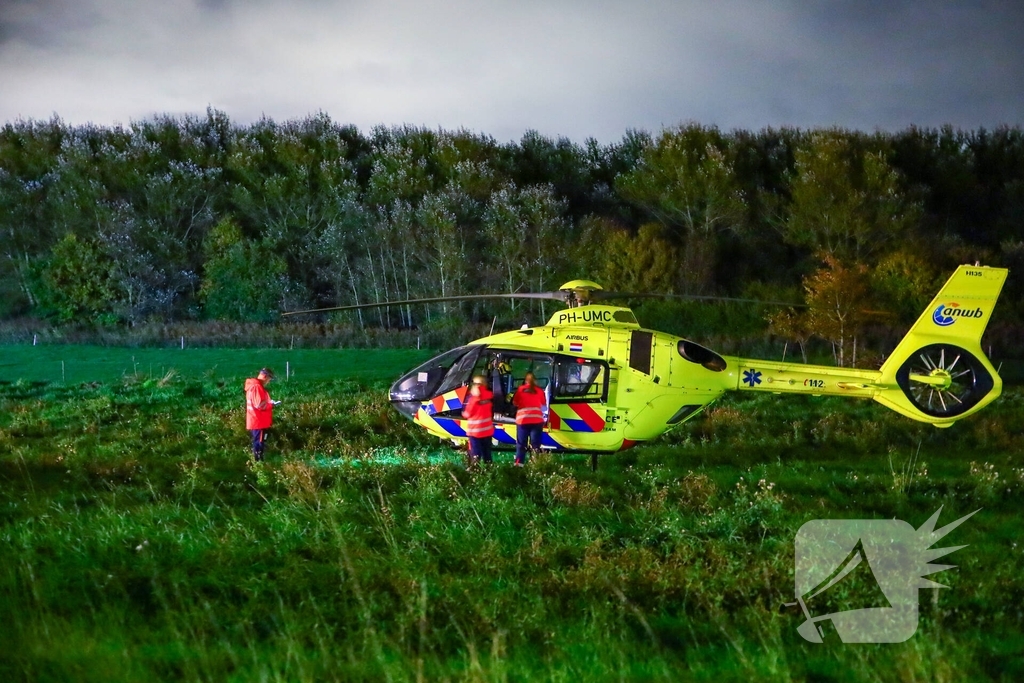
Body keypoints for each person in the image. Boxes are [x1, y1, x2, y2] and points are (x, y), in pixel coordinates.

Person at [512, 371, 546, 466]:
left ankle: (519, 465)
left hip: (523, 420)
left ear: (525, 381)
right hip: (537, 421)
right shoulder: (539, 391)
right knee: (535, 445)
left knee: (521, 444)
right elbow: (543, 405)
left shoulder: (520, 389)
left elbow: (515, 402)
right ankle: (535, 465)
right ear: (535, 381)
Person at [245, 368, 279, 461]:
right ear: (265, 376)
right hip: (258, 421)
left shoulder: (253, 386)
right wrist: (271, 404)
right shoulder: (257, 387)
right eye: (269, 379)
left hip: (256, 420)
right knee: (259, 443)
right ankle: (259, 463)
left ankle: (258, 462)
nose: (268, 381)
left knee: (259, 442)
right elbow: (259, 405)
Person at [461, 375, 494, 466]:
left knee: (476, 453)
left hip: (475, 432)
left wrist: (464, 413)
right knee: (487, 453)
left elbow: (467, 414)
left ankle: (475, 471)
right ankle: (489, 470)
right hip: (487, 431)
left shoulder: (473, 399)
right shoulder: (489, 396)